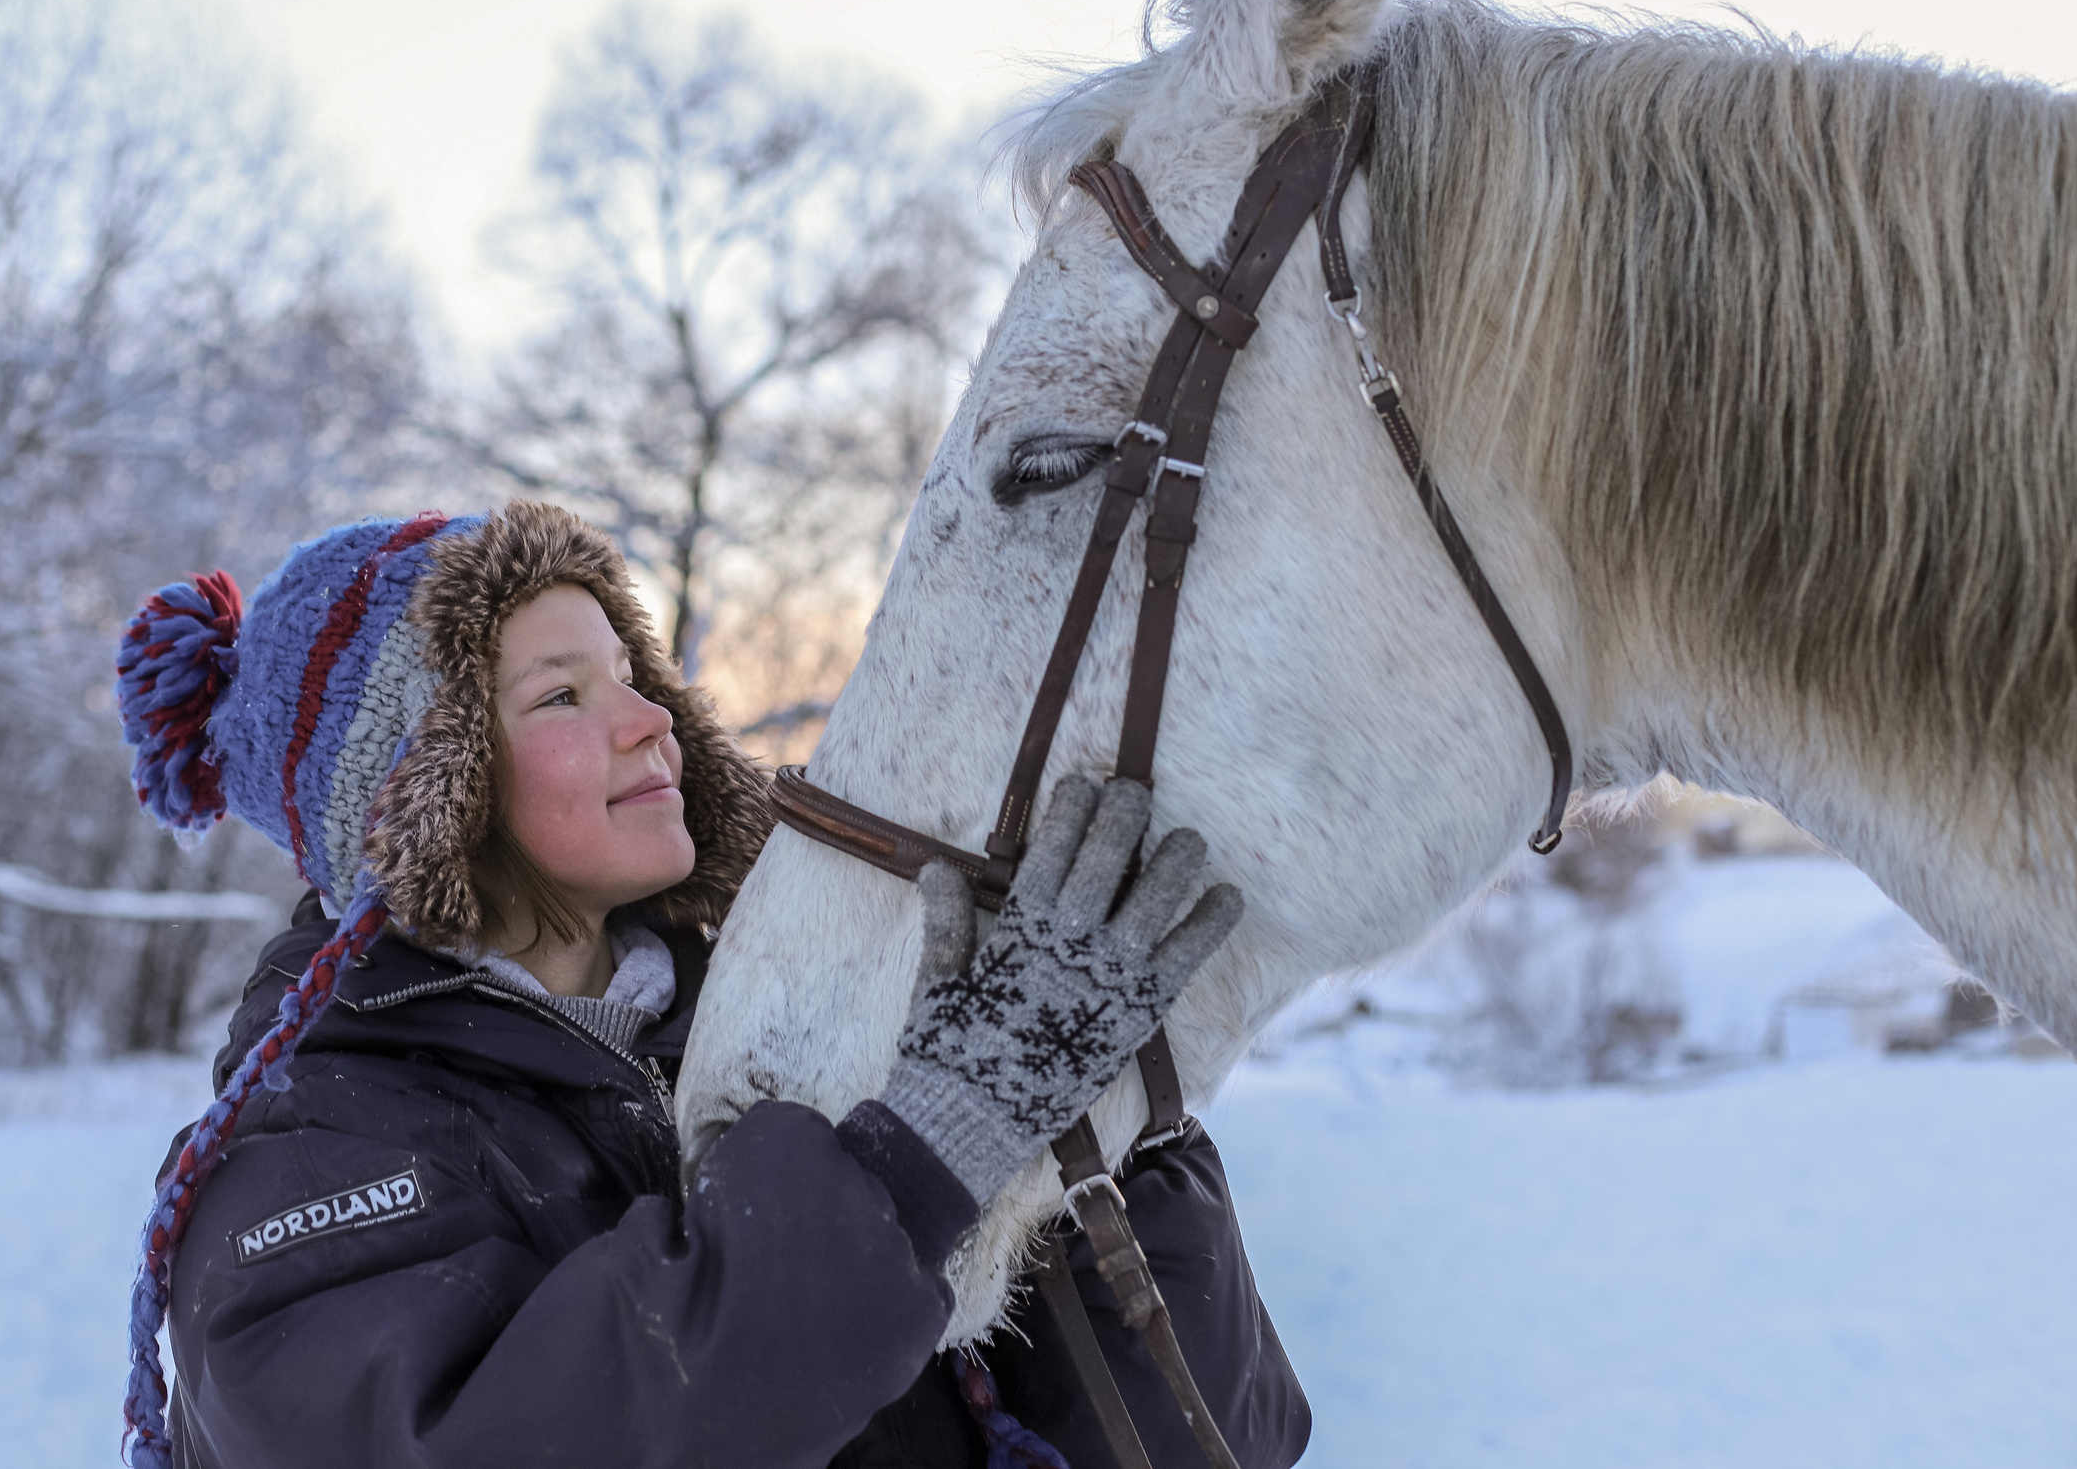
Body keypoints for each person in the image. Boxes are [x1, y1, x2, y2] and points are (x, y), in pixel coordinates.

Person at [113, 499, 1312, 1468]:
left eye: (633, 672)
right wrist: (920, 1163)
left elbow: (1210, 1444)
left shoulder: (775, 1035)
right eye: (562, 696)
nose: (650, 720)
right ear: (427, 799)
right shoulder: (303, 1159)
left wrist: (1090, 1123)